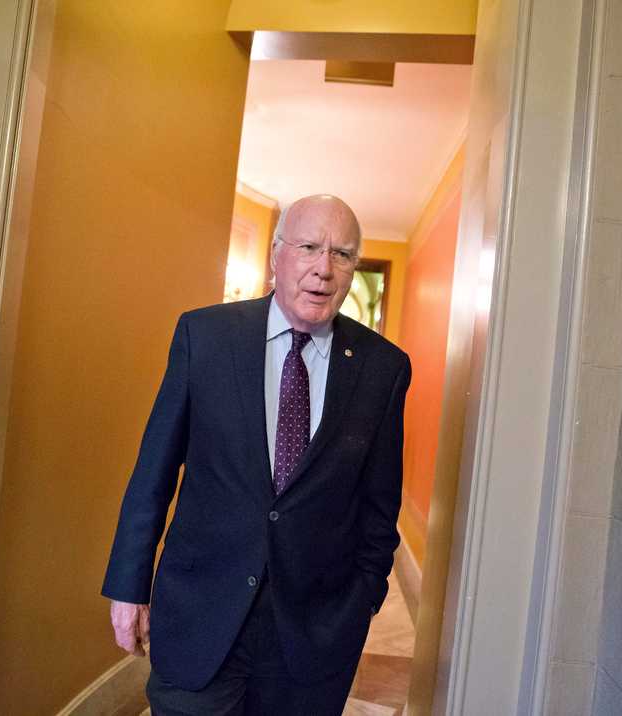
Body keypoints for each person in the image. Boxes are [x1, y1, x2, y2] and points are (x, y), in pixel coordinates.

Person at [102, 194, 412, 715]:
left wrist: (362, 601)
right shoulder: (205, 336)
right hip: (201, 613)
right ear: (276, 254)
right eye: (310, 247)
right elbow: (153, 472)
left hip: (312, 634)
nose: (323, 269)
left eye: (342, 254)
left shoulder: (383, 368)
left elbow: (380, 503)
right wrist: (129, 586)